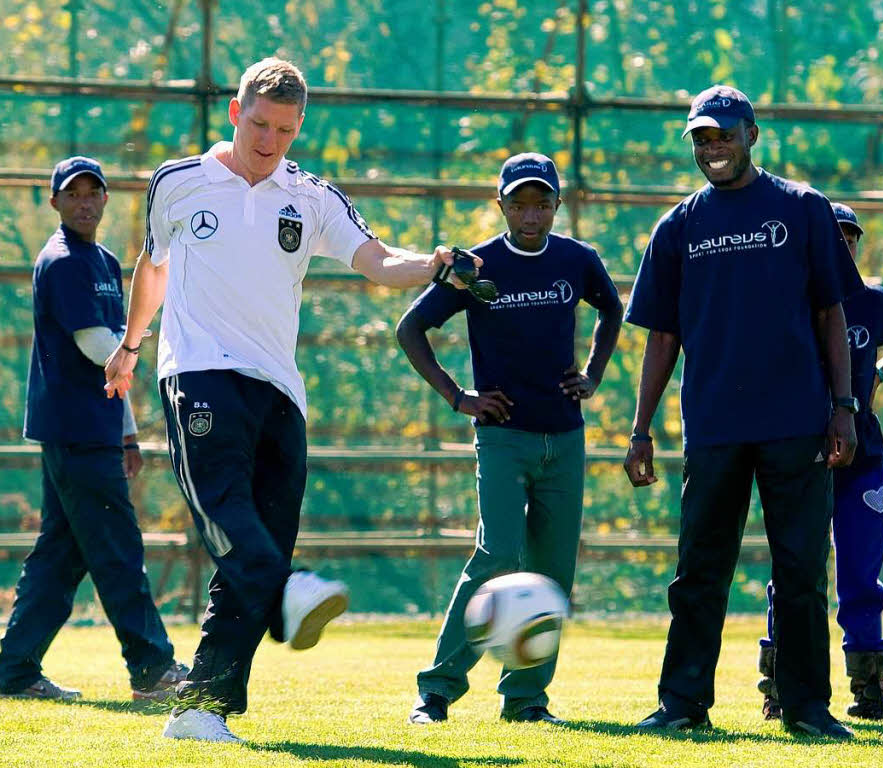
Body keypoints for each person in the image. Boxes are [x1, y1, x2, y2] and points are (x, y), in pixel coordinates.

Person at [103, 58, 465, 743]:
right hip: (199, 374)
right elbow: (152, 266)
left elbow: (377, 259)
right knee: (228, 517)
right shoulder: (178, 182)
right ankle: (290, 589)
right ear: (236, 114)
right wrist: (130, 347)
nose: (270, 141)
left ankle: (200, 711)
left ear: (299, 129)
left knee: (252, 549)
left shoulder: (312, 196)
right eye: (260, 124)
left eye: (286, 130)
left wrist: (435, 264)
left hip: (279, 395)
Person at [622, 85, 864, 739]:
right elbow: (661, 336)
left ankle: (808, 707)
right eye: (701, 138)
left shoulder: (803, 208)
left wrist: (844, 407)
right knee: (698, 574)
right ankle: (682, 704)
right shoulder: (679, 225)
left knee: (801, 573)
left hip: (797, 422)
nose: (712, 147)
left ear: (752, 134)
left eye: (723, 134)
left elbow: (830, 311)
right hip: (714, 427)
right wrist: (640, 430)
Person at [398, 153, 622, 725]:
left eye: (541, 203)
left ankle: (525, 700)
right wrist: (459, 397)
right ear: (500, 205)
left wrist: (592, 375)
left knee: (551, 574)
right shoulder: (475, 266)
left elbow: (612, 309)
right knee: (497, 555)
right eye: (518, 203)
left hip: (564, 439)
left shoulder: (577, 259)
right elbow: (411, 328)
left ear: (556, 205)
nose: (530, 214)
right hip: (502, 438)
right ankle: (436, 692)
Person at [0, 156, 187, 703]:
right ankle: (152, 670)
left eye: (93, 193)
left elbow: (113, 360)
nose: (84, 202)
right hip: (75, 430)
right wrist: (138, 359)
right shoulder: (61, 261)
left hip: (95, 429)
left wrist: (126, 432)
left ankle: (12, 669)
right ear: (54, 201)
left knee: (62, 555)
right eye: (72, 194)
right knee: (118, 550)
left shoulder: (102, 260)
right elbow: (96, 344)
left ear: (106, 200)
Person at [756, 203, 883, 722]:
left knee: (859, 572)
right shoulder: (792, 301)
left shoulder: (874, 304)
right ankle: (780, 686)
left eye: (850, 238)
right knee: (794, 570)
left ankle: (869, 690)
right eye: (834, 237)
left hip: (863, 457)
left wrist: (877, 373)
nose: (843, 246)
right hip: (804, 453)